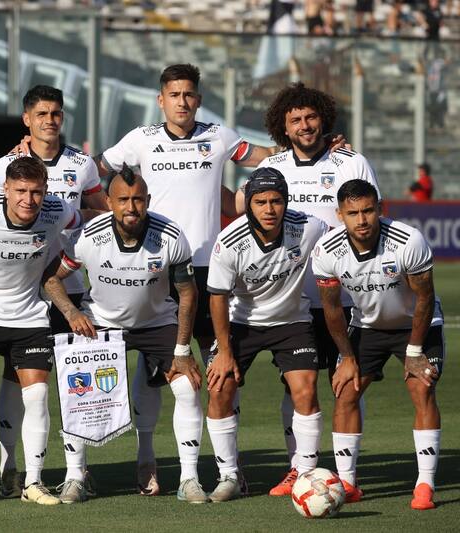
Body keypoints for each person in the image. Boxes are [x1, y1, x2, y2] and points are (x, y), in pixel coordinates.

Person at [95, 63, 276, 495]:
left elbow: (267, 157)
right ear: (162, 100)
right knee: (155, 368)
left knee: (219, 372)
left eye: (189, 94)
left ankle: (229, 471)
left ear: (198, 98)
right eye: (174, 94)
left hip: (210, 270)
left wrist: (317, 143)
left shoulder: (219, 136)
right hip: (154, 266)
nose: (182, 101)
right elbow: (95, 171)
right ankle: (147, 461)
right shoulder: (141, 139)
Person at [43, 169, 205, 504]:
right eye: (123, 199)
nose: (131, 206)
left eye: (137, 199)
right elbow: (51, 279)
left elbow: (187, 294)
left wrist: (182, 349)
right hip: (100, 323)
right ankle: (75, 477)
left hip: (157, 323)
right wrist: (72, 313)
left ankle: (188, 478)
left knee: (187, 388)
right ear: (108, 202)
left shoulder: (171, 235)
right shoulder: (88, 235)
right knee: (78, 390)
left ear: (147, 200)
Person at [254, 82, 381, 495]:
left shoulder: (350, 161)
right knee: (297, 386)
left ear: (323, 118)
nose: (305, 125)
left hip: (346, 296)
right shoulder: (274, 169)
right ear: (284, 128)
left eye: (311, 117)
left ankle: (349, 476)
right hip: (294, 299)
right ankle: (298, 468)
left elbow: (370, 218)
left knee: (347, 383)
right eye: (296, 120)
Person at [0, 85, 107, 498]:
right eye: (41, 113)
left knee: (76, 382)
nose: (49, 120)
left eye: (56, 113)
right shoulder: (6, 166)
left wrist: (71, 221)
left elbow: (101, 210)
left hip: (69, 285)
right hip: (21, 294)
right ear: (27, 119)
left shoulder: (82, 164)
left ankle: (76, 472)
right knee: (17, 381)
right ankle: (10, 466)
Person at [0, 157, 88, 507]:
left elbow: (82, 231)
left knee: (37, 398)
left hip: (29, 318)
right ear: (5, 190)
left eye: (36, 192)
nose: (29, 200)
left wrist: (62, 266)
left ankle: (33, 481)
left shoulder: (58, 210)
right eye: (21, 191)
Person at [312, 179, 444, 511]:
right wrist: (346, 356)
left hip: (416, 325)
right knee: (345, 391)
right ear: (340, 214)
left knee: (421, 388)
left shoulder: (407, 240)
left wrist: (414, 352)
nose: (362, 220)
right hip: (367, 326)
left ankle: (425, 484)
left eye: (368, 211)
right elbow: (331, 308)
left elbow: (425, 299)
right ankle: (347, 484)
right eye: (353, 213)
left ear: (379, 208)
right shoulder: (326, 251)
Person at [205, 168, 328, 502]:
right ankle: (230, 476)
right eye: (261, 202)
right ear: (249, 205)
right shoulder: (230, 241)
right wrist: (225, 351)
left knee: (305, 388)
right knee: (219, 387)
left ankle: (304, 473)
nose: (269, 209)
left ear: (286, 201)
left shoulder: (308, 227)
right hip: (242, 322)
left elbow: (339, 241)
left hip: (292, 321)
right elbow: (217, 296)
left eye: (276, 201)